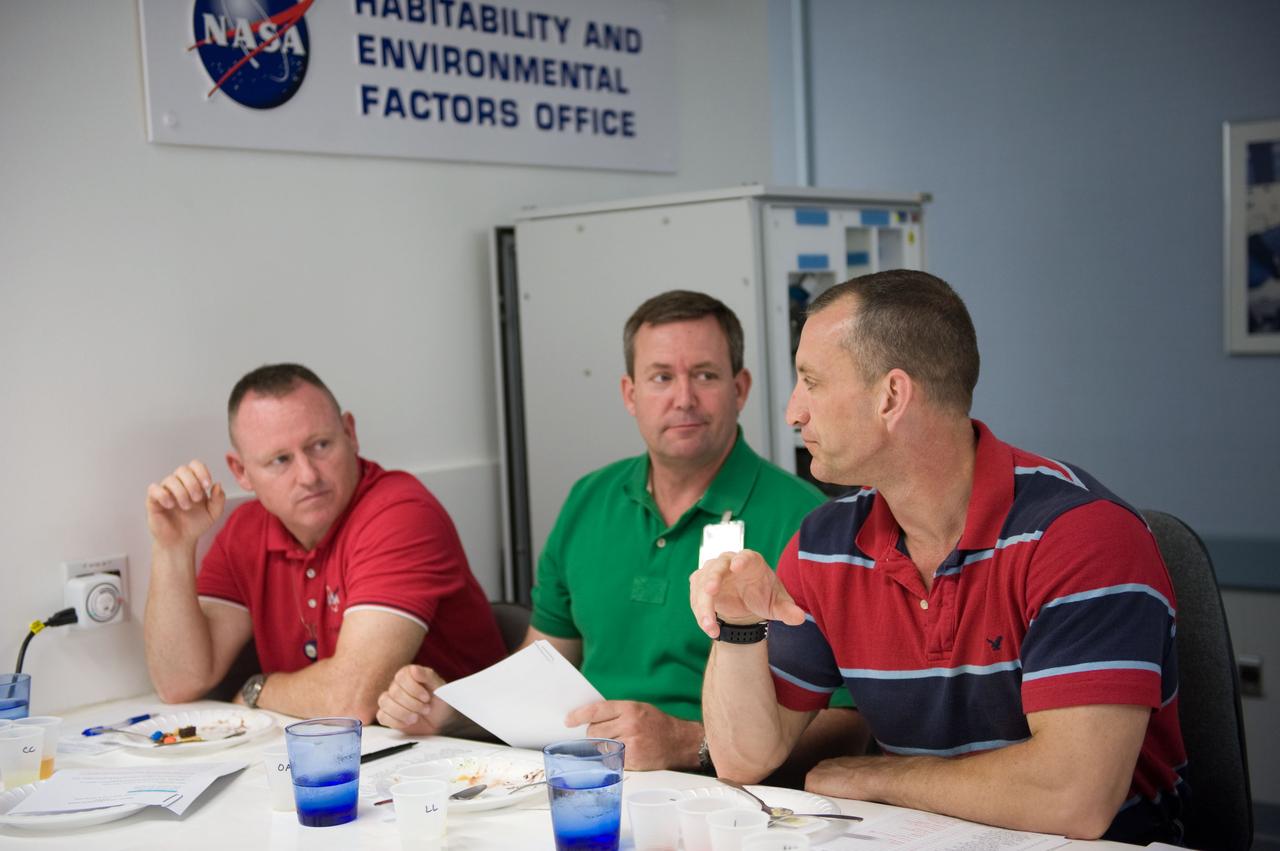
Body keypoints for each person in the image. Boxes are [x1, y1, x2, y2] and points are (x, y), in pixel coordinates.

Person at [691, 271, 1187, 842]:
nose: (793, 412)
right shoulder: (823, 545)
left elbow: (1074, 800)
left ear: (891, 397)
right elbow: (743, 760)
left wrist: (879, 777)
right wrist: (738, 627)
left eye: (812, 381)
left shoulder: (1082, 536)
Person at [377, 290, 863, 771]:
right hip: (584, 776)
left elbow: (850, 722)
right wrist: (451, 713)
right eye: (661, 377)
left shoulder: (808, 522)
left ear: (740, 388)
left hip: (726, 792)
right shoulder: (588, 499)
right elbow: (542, 665)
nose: (684, 399)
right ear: (630, 394)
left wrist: (689, 743)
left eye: (705, 375)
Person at [143, 363, 506, 721]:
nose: (308, 475)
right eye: (280, 460)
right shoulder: (245, 531)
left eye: (320, 445)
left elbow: (352, 699)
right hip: (345, 746)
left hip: (465, 748)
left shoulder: (401, 513)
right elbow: (179, 682)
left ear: (350, 433)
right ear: (242, 472)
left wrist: (258, 690)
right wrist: (173, 547)